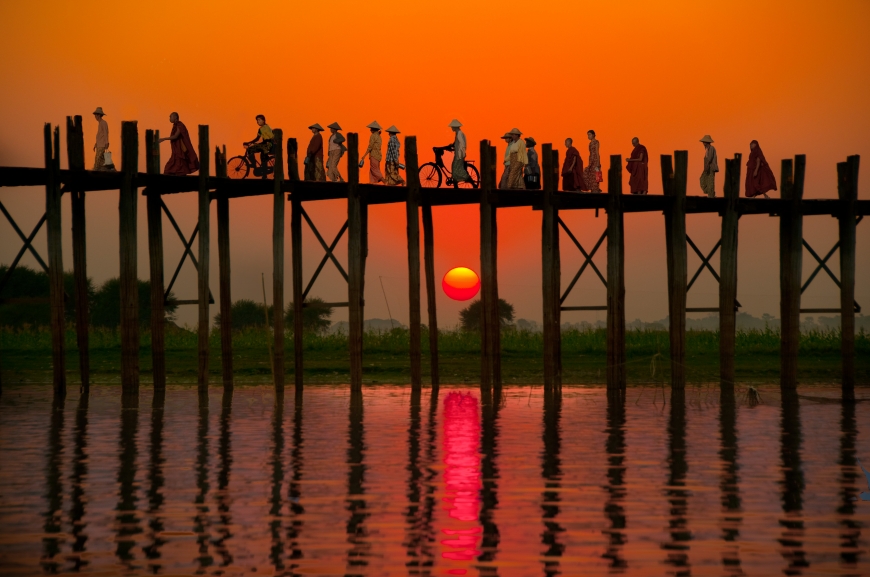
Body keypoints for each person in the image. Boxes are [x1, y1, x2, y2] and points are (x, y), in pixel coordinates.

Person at [448, 119, 473, 187]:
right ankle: (455, 184)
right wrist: (452, 145)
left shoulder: (459, 134)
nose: (451, 128)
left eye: (452, 127)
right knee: (454, 167)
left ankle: (468, 178)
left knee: (456, 168)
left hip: (459, 154)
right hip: (458, 154)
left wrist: (460, 153)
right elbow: (456, 143)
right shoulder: (458, 133)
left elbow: (462, 144)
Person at [92, 107, 113, 171]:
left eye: (96, 115)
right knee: (102, 160)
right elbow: (99, 136)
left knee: (98, 160)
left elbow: (105, 133)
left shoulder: (103, 123)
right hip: (99, 145)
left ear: (99, 115)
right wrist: (96, 144)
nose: (95, 116)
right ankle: (110, 169)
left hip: (102, 145)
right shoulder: (100, 123)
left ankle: (95, 171)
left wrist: (106, 143)